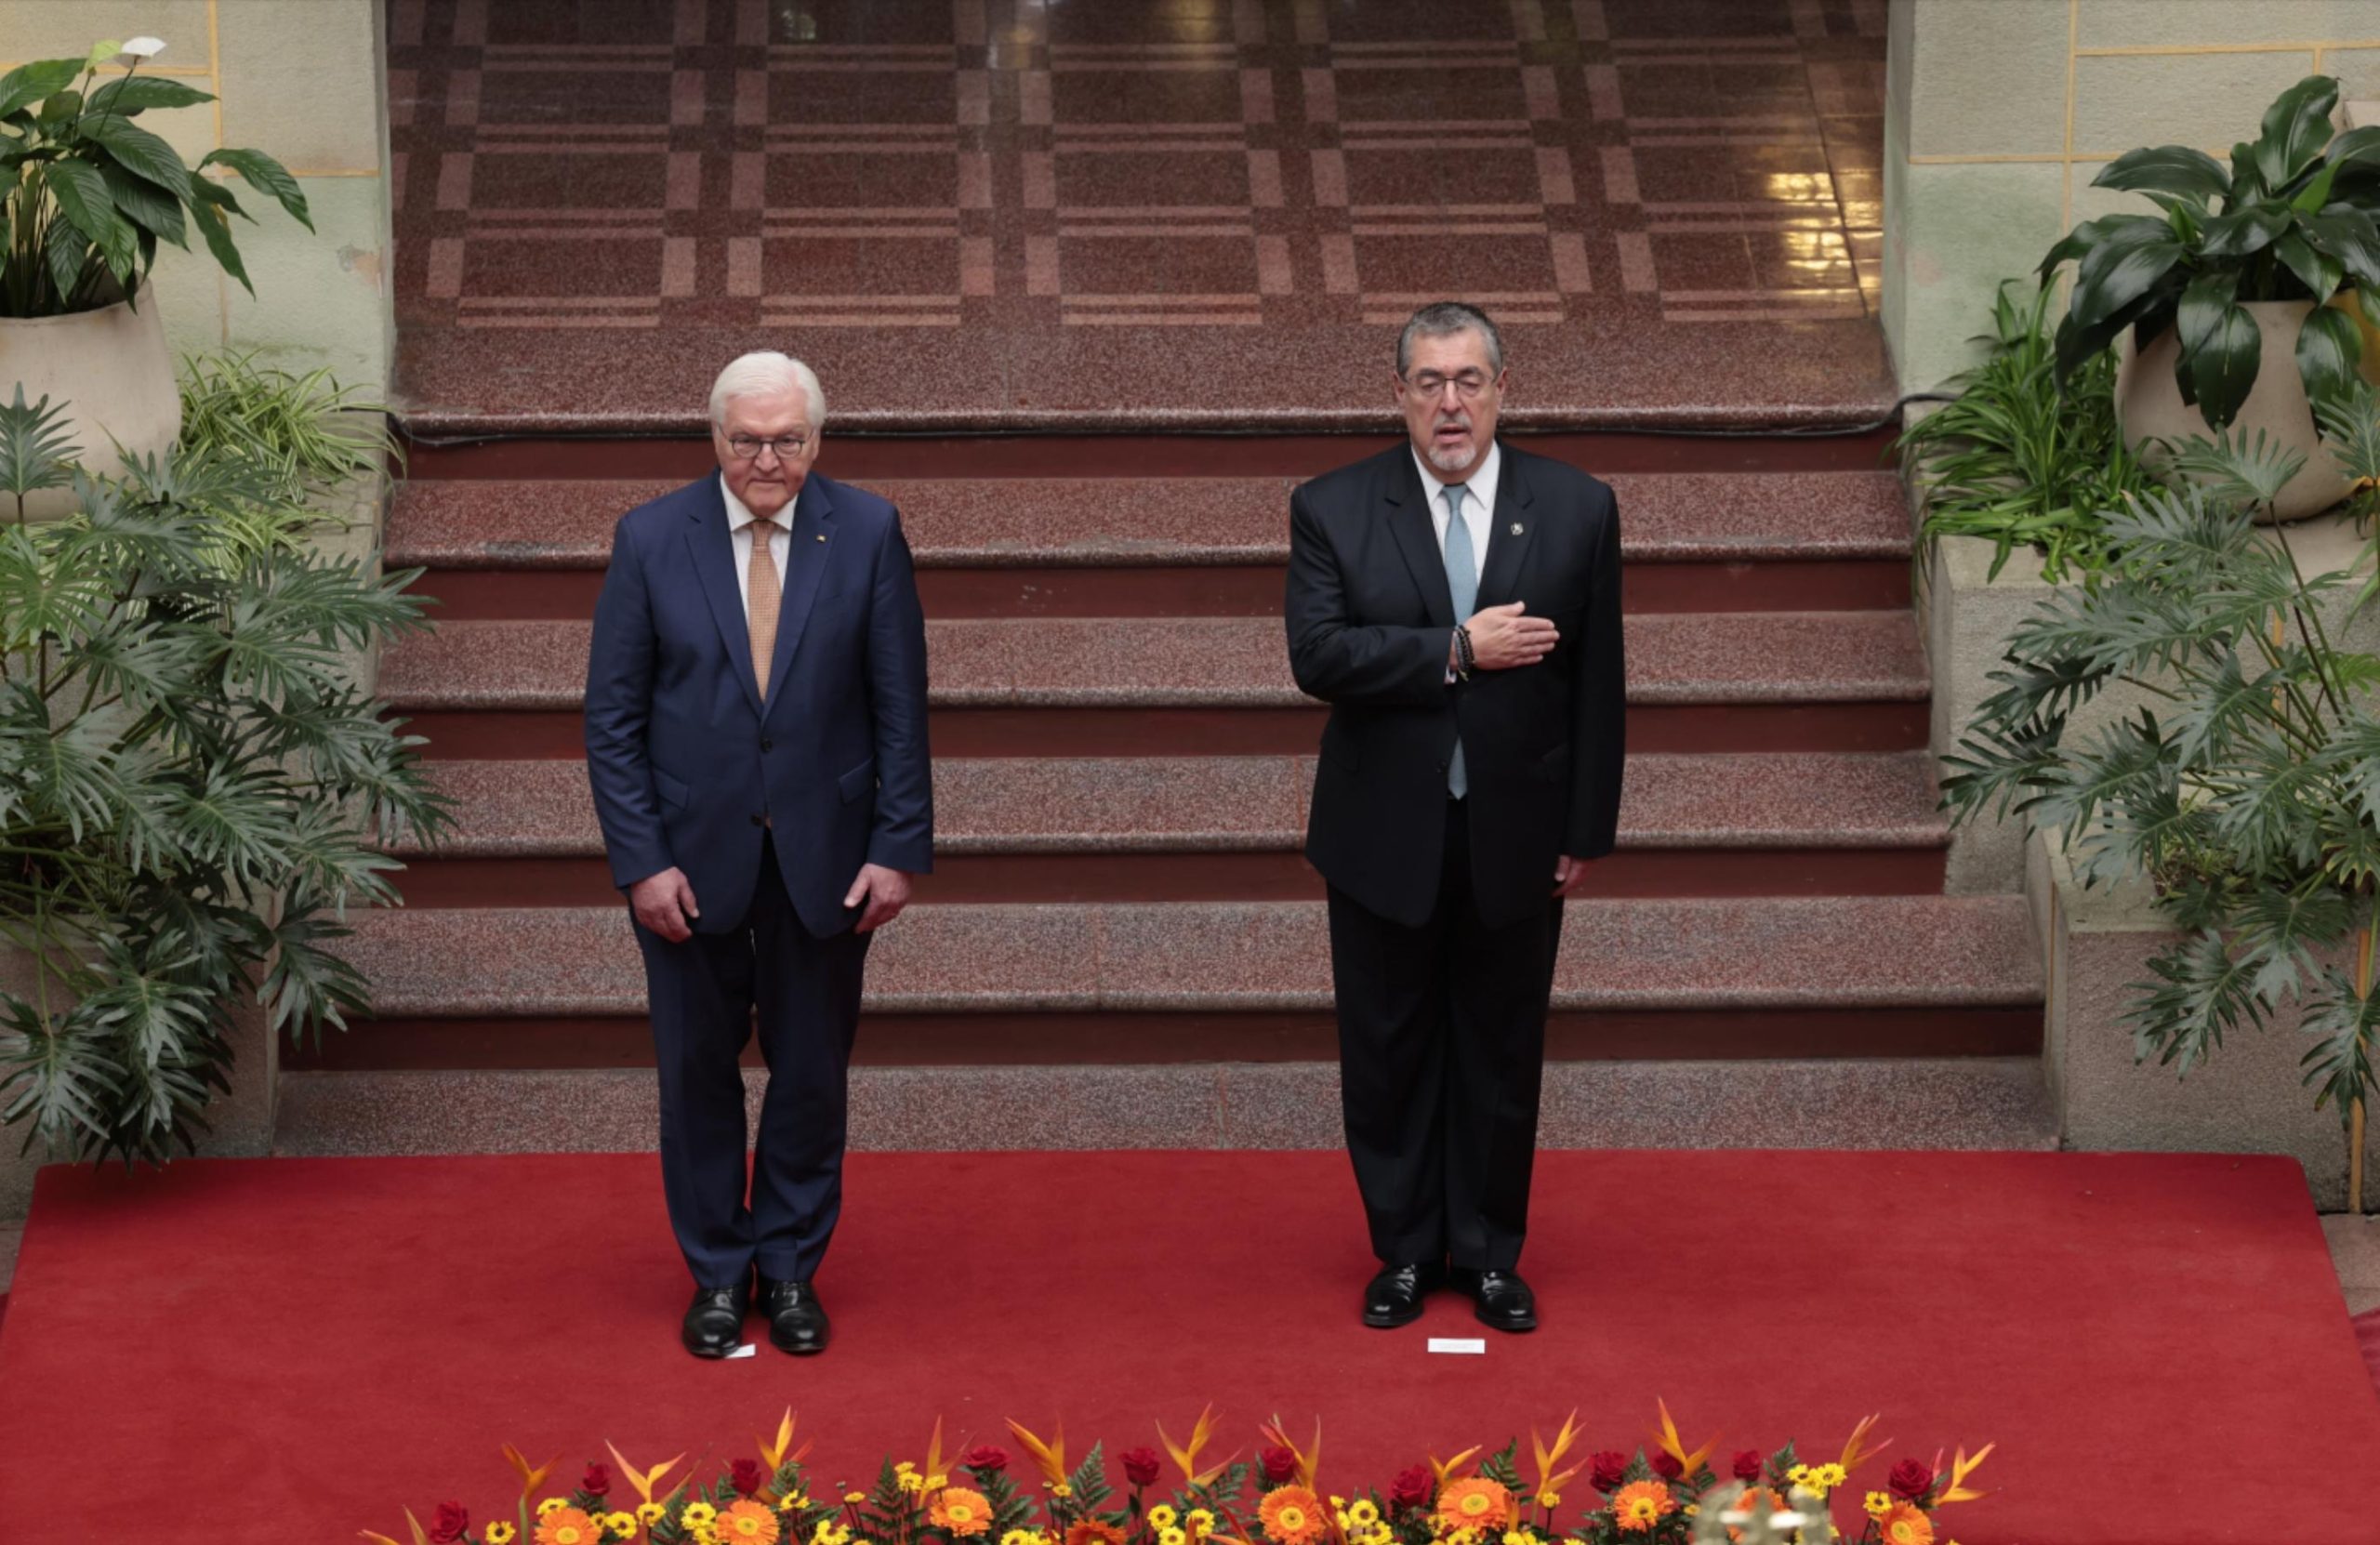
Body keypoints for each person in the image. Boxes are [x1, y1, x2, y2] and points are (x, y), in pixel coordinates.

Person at [1284, 302, 1625, 1333]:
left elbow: (1598, 684)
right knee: (1386, 1050)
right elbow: (1319, 656)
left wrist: (1585, 829)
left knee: (1501, 1049)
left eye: (1468, 381)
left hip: (1518, 830)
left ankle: (1484, 1256)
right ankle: (1402, 1252)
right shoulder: (1333, 506)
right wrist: (1456, 650)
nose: (1449, 404)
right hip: (1381, 832)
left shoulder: (1577, 506)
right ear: (1398, 395)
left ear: (1501, 390)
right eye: (1428, 382)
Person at [583, 350, 932, 1358]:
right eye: (747, 440)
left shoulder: (868, 529)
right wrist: (641, 861)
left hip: (828, 859)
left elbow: (899, 705)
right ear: (715, 438)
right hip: (687, 863)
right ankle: (716, 1275)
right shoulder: (652, 537)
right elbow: (612, 719)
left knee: (811, 1073)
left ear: (816, 439)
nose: (767, 460)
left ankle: (788, 1270)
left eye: (787, 440)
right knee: (696, 1076)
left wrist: (897, 846)